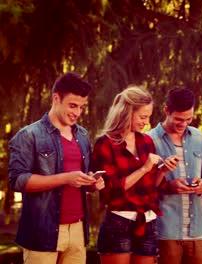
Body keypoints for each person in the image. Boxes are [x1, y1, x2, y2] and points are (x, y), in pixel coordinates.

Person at [8, 73, 105, 264]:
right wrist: (66, 178)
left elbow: (81, 178)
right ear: (56, 98)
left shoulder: (83, 135)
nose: (77, 112)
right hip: (41, 231)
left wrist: (92, 183)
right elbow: (17, 180)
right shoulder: (29, 135)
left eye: (82, 107)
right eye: (72, 105)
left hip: (77, 230)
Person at [92, 86, 177, 264]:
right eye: (143, 117)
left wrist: (163, 171)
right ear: (126, 112)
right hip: (118, 223)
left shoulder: (146, 141)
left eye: (148, 117)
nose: (147, 123)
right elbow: (111, 191)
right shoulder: (105, 144)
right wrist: (144, 169)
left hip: (148, 223)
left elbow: (154, 187)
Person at [147, 87, 202, 264]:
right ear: (167, 111)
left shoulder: (199, 138)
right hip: (165, 230)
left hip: (197, 231)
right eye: (178, 119)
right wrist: (169, 186)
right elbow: (143, 187)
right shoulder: (150, 140)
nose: (184, 124)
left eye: (189, 119)